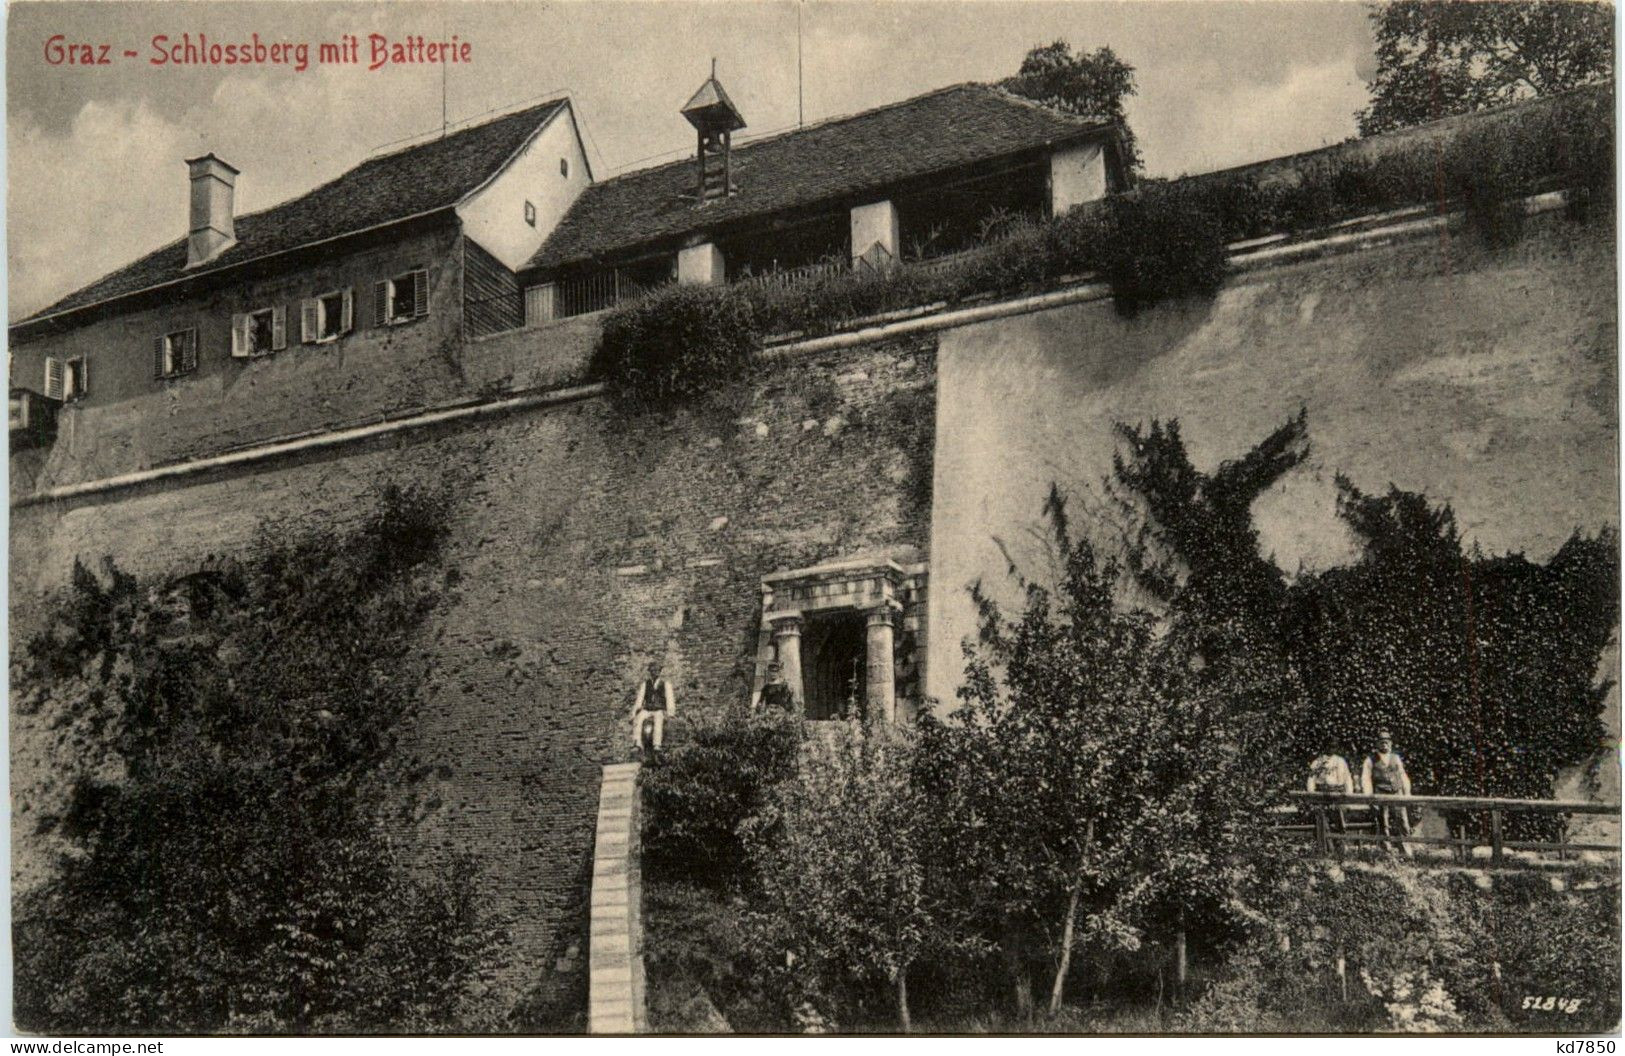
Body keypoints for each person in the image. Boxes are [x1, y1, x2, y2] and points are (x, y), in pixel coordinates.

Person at [1360, 728, 1413, 857]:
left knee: (1402, 821)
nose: (1384, 744)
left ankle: (1405, 851)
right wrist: (1370, 797)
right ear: (1377, 744)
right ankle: (1386, 852)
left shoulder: (1396, 758)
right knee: (1383, 823)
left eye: (1387, 742)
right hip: (1380, 794)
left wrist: (1407, 793)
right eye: (1382, 742)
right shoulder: (1370, 760)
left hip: (1396, 792)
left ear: (1391, 743)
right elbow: (1365, 779)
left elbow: (1402, 775)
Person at [1307, 736, 1354, 854]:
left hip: (1338, 794)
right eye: (1329, 746)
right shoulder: (1317, 762)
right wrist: (1312, 795)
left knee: (1340, 820)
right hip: (1322, 794)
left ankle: (1342, 848)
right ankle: (1327, 848)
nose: (1331, 748)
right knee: (1323, 820)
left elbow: (1347, 778)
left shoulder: (1341, 761)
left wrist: (1349, 795)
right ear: (1324, 747)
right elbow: (1311, 780)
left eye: (1334, 746)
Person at [631, 666, 676, 761]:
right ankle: (637, 743)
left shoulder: (665, 684)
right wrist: (635, 712)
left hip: (659, 709)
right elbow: (640, 698)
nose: (654, 672)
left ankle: (657, 744)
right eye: (652, 670)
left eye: (656, 670)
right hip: (648, 709)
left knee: (658, 719)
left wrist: (670, 713)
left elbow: (670, 698)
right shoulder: (645, 684)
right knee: (638, 719)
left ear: (660, 672)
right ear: (650, 672)